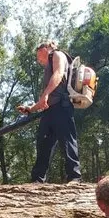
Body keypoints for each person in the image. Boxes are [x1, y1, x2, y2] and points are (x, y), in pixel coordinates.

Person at [18, 40, 82, 183]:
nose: (38, 60)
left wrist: (45, 94)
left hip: (62, 106)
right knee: (44, 143)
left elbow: (59, 74)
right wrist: (30, 109)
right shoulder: (49, 65)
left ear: (45, 49)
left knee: (67, 140)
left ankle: (75, 177)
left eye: (38, 55)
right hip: (50, 109)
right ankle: (37, 180)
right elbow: (44, 100)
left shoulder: (57, 55)